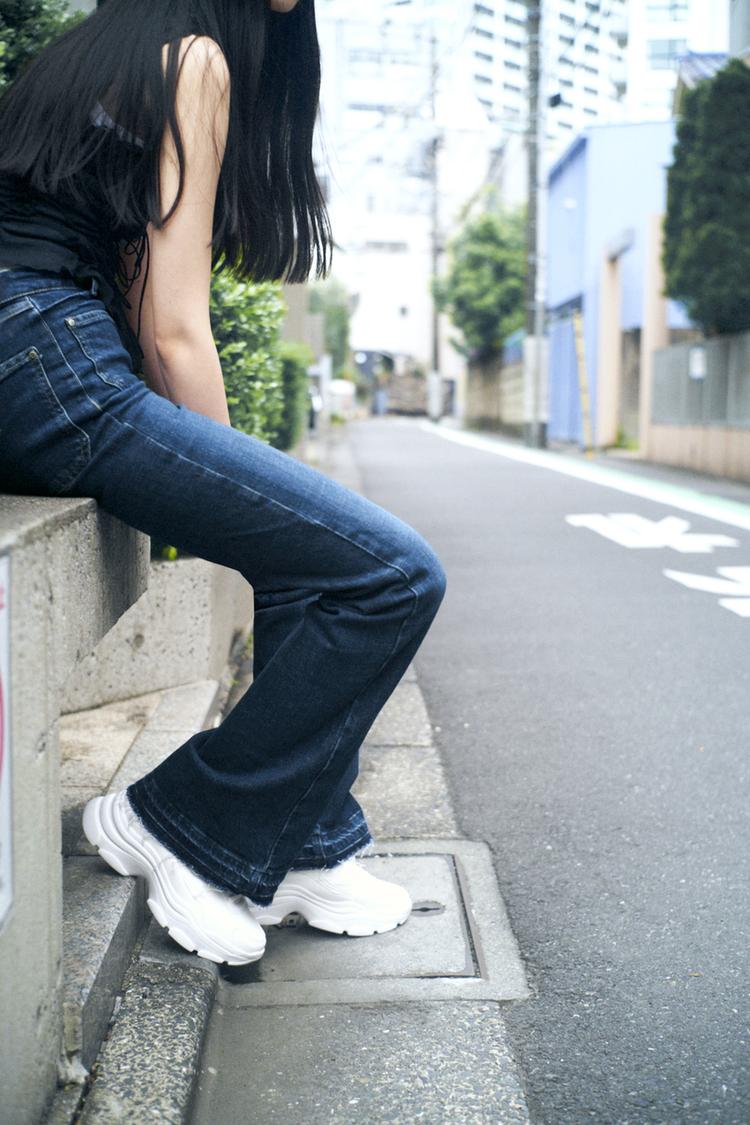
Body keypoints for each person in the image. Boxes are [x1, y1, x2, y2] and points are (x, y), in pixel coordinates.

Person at [0, 0, 446, 966]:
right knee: (394, 575)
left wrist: (249, 513)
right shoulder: (193, 60)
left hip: (37, 360)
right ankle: (174, 821)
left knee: (315, 568)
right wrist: (251, 511)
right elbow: (173, 325)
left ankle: (306, 848)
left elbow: (132, 301)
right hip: (48, 359)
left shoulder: (99, 50)